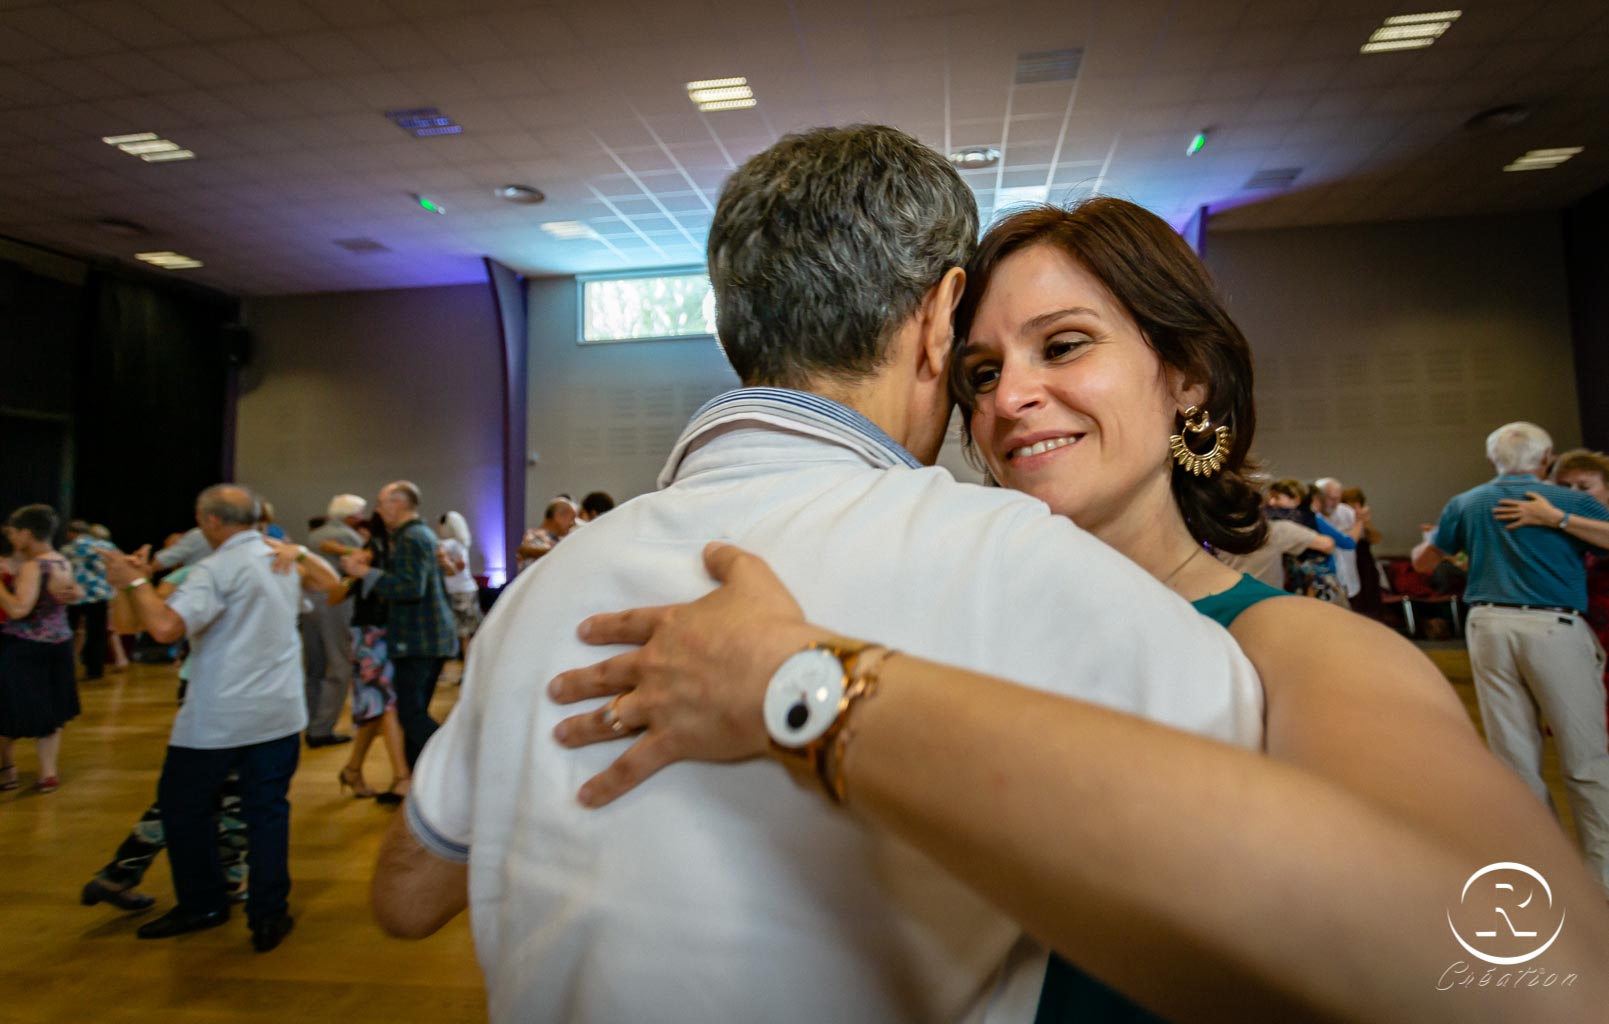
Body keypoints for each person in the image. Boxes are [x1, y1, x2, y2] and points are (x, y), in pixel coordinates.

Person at [536, 197, 1609, 1021]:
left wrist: (806, 689)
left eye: (1063, 346)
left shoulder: (1288, 643)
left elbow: (1534, 968)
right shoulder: (932, 616)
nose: (1007, 399)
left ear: (1185, 377)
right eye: (983, 369)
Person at [373, 126, 1270, 1024]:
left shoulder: (549, 583)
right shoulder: (1012, 553)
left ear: (735, 324)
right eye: (982, 362)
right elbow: (1266, 852)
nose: (998, 395)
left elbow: (407, 897)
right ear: (940, 316)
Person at [104, 484, 337, 952]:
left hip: (220, 716)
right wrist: (301, 553)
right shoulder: (282, 557)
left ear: (208, 521)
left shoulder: (216, 568)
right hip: (278, 712)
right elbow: (332, 585)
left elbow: (166, 627)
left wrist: (131, 582)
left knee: (183, 807)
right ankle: (269, 915)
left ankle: (203, 902)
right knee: (267, 813)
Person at [1414, 422, 1609, 895]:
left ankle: (1546, 875)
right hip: (1552, 627)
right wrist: (1558, 521)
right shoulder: (1570, 501)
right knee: (1585, 759)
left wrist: (1469, 552)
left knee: (1515, 760)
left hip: (1486, 626)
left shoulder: (1465, 502)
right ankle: (1601, 882)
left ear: (1492, 459)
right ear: (1546, 461)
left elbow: (1424, 561)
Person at [339, 481, 455, 770]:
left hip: (417, 638)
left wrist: (364, 572)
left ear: (398, 504)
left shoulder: (411, 538)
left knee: (411, 714)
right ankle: (420, 781)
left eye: (381, 503)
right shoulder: (417, 535)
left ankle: (453, 767)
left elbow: (409, 588)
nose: (377, 510)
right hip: (427, 636)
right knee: (413, 711)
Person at [0, 504, 80, 794]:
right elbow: (70, 595)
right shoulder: (60, 560)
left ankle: (6, 770)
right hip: (59, 643)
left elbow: (20, 609)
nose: (11, 539)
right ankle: (48, 773)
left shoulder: (34, 566)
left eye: (13, 533)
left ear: (25, 533)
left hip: (26, 645)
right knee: (50, 710)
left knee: (8, 709)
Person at [331, 510, 408, 802]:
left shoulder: (402, 554)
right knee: (386, 703)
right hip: (370, 635)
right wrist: (353, 575)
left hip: (391, 634)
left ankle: (352, 769)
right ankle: (401, 776)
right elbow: (334, 596)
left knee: (378, 707)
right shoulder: (368, 554)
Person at [301, 494, 370, 748]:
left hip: (309, 603)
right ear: (353, 516)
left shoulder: (315, 535)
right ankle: (322, 728)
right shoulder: (350, 537)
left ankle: (310, 721)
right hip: (335, 603)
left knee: (314, 667)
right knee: (340, 666)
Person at [1219, 481, 1334, 588]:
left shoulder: (1214, 532)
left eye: (1277, 498)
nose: (1271, 503)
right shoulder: (1274, 528)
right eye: (1270, 498)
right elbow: (1328, 544)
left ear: (1296, 500)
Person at [62, 519, 117, 680]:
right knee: (97, 634)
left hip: (74, 596)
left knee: (69, 632)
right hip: (98, 595)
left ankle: (65, 666)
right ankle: (94, 670)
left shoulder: (67, 549)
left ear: (71, 533)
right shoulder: (105, 547)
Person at [436, 510, 483, 670]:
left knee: (462, 632)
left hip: (456, 592)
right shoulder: (460, 544)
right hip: (467, 589)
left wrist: (447, 565)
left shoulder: (448, 544)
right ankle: (469, 669)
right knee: (467, 633)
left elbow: (453, 567)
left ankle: (464, 669)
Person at [514, 499, 575, 572]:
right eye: (571, 519)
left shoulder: (557, 540)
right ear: (558, 516)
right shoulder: (534, 536)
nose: (573, 524)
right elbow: (528, 553)